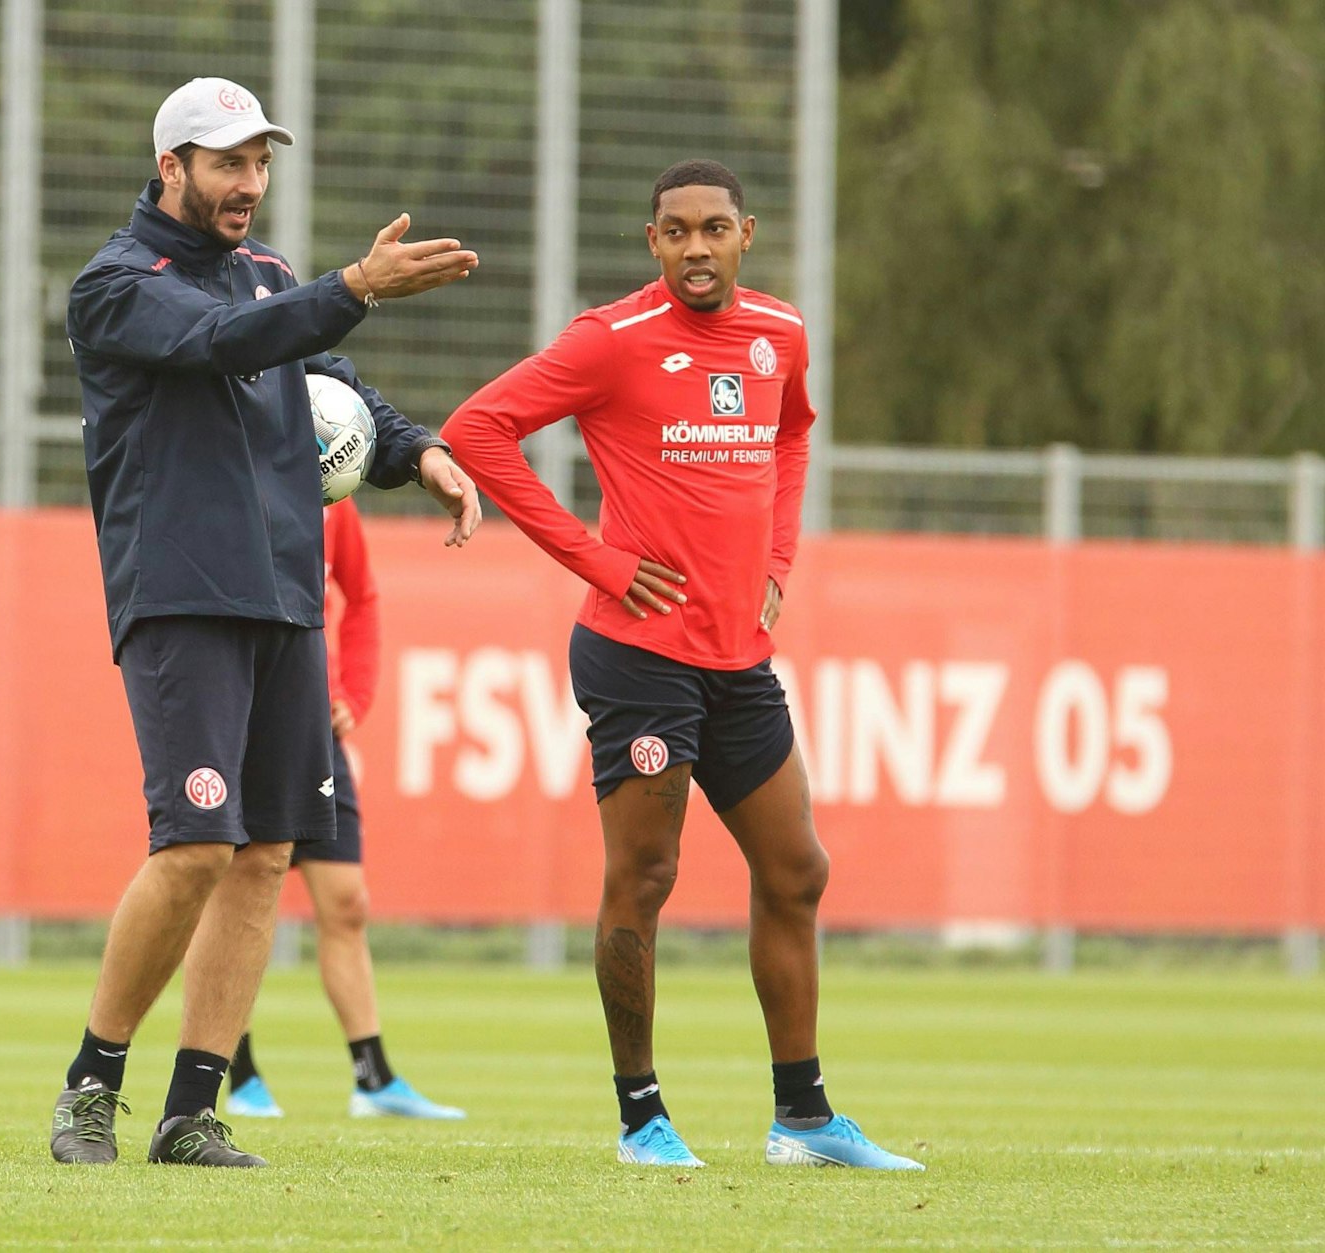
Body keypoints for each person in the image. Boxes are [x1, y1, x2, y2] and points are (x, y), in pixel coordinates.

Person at [441, 159, 922, 1171]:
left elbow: (790, 437)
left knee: (797, 871)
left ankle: (801, 1118)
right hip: (634, 656)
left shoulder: (778, 334)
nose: (694, 248)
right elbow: (475, 429)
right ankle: (640, 1116)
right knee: (645, 875)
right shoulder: (607, 341)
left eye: (712, 229)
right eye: (674, 232)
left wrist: (777, 560)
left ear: (745, 233)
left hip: (735, 654)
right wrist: (598, 558)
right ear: (650, 242)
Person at [54, 76, 481, 1169]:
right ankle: (90, 1085)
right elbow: (224, 343)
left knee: (265, 853)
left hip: (288, 599)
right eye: (226, 162)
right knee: (195, 842)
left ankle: (191, 1110)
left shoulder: (272, 277)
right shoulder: (115, 284)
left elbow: (325, 380)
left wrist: (413, 448)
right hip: (182, 594)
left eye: (259, 163)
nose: (248, 183)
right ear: (171, 169)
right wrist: (355, 284)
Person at [221, 497, 465, 1123]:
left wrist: (353, 691)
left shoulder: (335, 487)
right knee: (240, 892)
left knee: (348, 902)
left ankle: (372, 1077)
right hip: (242, 717)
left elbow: (362, 595)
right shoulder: (228, 474)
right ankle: (237, 1074)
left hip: (314, 727)